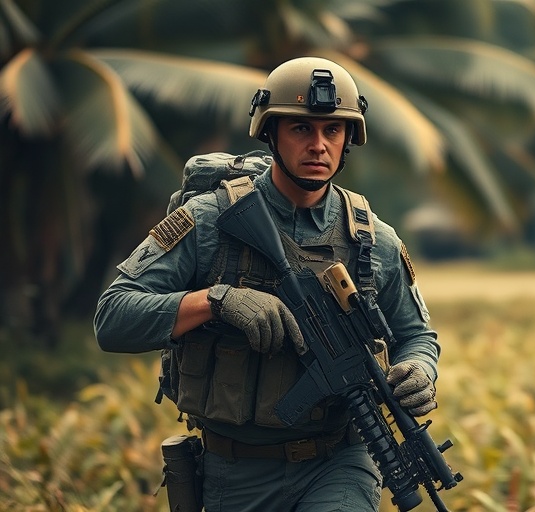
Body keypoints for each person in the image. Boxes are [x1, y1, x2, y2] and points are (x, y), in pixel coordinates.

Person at [94, 56, 441, 512]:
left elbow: (416, 335)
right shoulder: (209, 221)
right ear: (271, 132)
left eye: (332, 131)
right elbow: (113, 317)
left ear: (348, 140)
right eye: (301, 129)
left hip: (340, 461)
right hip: (233, 470)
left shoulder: (374, 241)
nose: (318, 145)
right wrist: (216, 301)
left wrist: (420, 371)